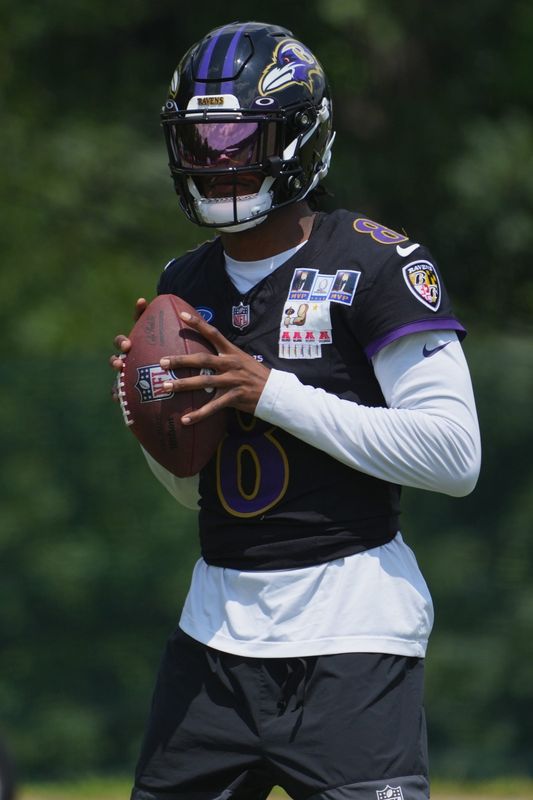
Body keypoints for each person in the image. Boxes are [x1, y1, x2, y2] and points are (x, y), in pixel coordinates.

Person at [111, 20, 481, 800]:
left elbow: (455, 458)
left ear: (300, 138)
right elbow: (191, 488)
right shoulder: (187, 279)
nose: (217, 162)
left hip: (350, 632)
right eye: (201, 140)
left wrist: (269, 391)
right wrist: (152, 422)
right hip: (215, 630)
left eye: (242, 137)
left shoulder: (376, 262)